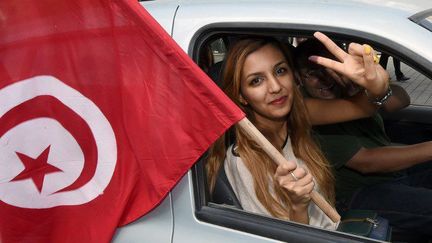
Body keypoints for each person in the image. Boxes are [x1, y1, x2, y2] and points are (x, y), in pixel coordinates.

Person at [206, 32, 390, 230]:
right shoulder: (244, 163)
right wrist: (297, 207)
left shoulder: (299, 114)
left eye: (280, 71)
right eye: (256, 81)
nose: (276, 87)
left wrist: (378, 85)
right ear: (241, 96)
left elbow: (364, 107)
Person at [295, 38, 432, 236]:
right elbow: (366, 162)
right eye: (312, 73)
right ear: (299, 79)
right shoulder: (306, 111)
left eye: (330, 69)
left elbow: (401, 100)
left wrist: (361, 88)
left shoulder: (350, 93)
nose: (324, 78)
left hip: (391, 176)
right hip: (360, 193)